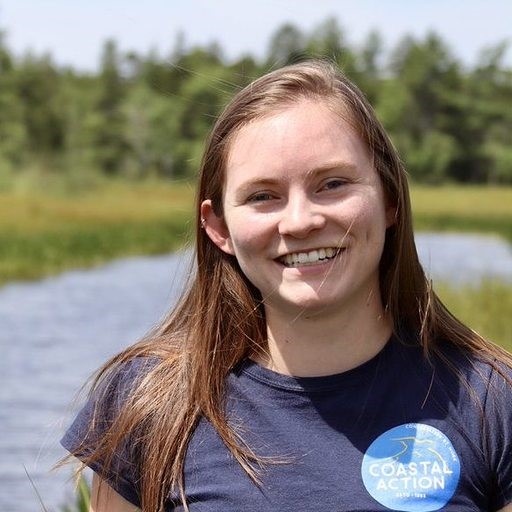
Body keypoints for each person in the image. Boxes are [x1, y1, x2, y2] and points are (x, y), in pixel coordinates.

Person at [61, 60, 512, 512]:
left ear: (390, 199)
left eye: (332, 184)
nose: (299, 222)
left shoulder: (492, 400)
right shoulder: (150, 400)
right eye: (263, 196)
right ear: (217, 227)